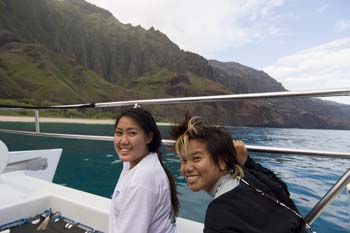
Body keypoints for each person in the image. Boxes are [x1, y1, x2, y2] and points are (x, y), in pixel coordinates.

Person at [170, 114, 306, 233]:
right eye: (183, 160)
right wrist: (246, 161)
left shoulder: (219, 214)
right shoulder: (252, 178)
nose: (186, 168)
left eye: (196, 158)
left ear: (222, 161)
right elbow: (282, 190)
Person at [109, 108, 179, 233]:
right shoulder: (136, 163)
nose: (123, 141)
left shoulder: (142, 180)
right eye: (119, 133)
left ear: (148, 137)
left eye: (132, 133)